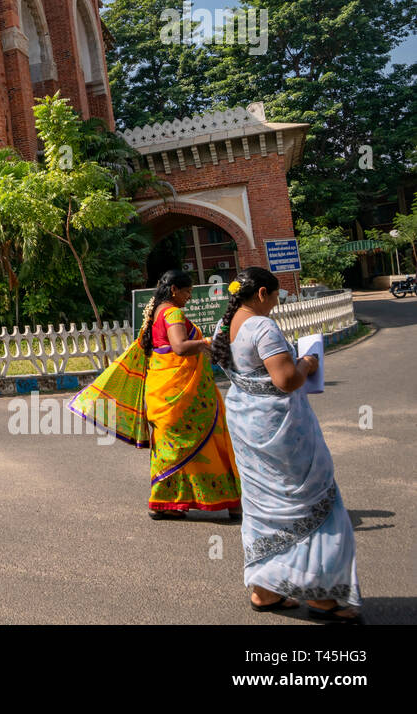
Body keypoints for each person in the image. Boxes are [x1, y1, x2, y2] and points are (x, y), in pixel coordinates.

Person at [211, 266, 363, 622]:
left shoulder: (225, 324)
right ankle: (323, 596)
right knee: (309, 499)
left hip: (248, 426)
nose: (277, 304)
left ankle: (265, 591)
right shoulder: (261, 326)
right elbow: (286, 379)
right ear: (262, 293)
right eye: (276, 296)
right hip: (279, 431)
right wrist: (308, 363)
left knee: (264, 503)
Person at [140, 269, 243, 520]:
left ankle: (165, 503)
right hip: (184, 395)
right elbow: (180, 347)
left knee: (169, 447)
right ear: (174, 289)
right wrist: (209, 341)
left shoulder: (155, 313)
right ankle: (228, 501)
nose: (189, 297)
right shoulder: (173, 312)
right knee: (209, 440)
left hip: (162, 390)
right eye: (187, 291)